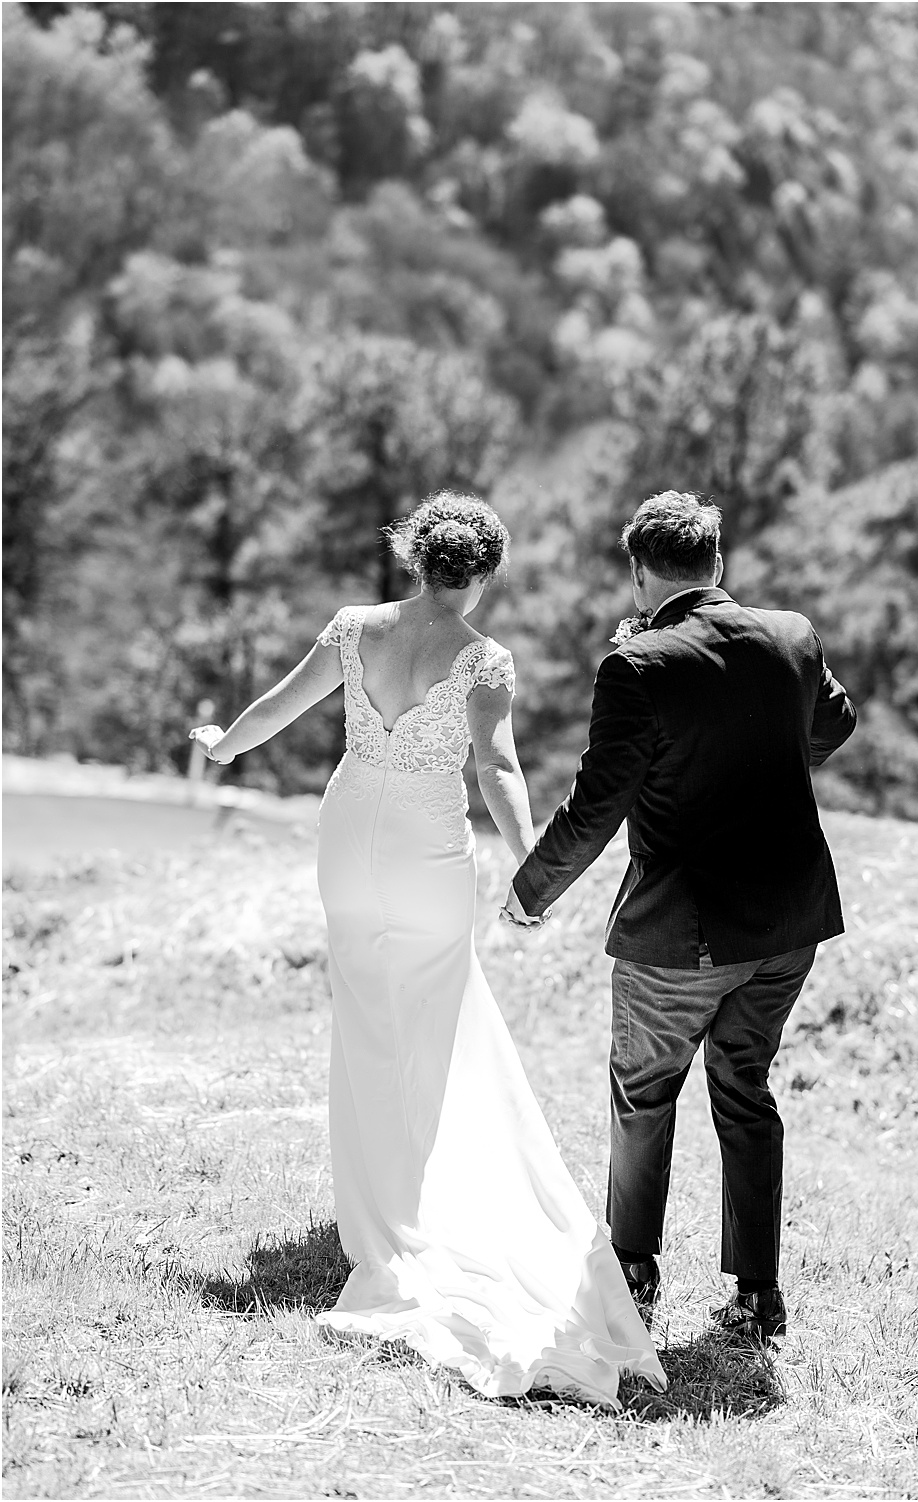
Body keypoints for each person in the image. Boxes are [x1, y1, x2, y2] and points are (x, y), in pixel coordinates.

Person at [189, 492, 665, 1407]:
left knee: (367, 1024)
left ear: (415, 558)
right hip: (425, 852)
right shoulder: (483, 658)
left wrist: (223, 744)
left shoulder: (353, 628)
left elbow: (278, 708)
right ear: (482, 575)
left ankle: (382, 1221)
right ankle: (433, 1206)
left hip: (350, 836)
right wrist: (532, 871)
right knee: (439, 1030)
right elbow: (496, 767)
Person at [505, 491, 857, 1345]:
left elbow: (596, 805)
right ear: (717, 564)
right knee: (746, 1092)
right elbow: (836, 723)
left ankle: (631, 1273)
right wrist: (760, 753)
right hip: (788, 926)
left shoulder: (637, 666)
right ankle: (757, 1296)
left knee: (643, 1092)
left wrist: (529, 890)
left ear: (639, 574)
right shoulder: (792, 634)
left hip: (684, 939)